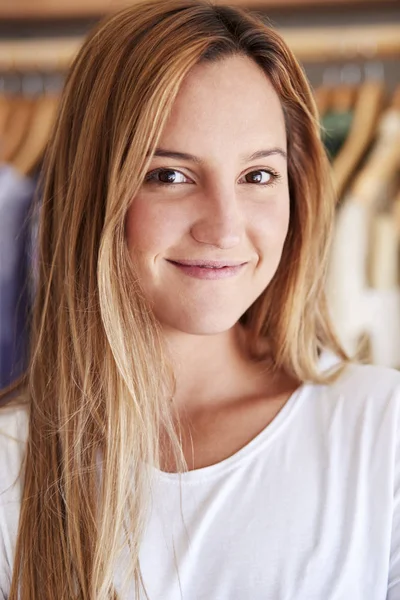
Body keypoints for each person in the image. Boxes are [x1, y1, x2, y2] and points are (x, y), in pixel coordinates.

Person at [1, 0, 400, 597]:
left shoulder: (382, 433)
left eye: (258, 176)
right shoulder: (11, 462)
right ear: (96, 192)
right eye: (171, 175)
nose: (224, 228)